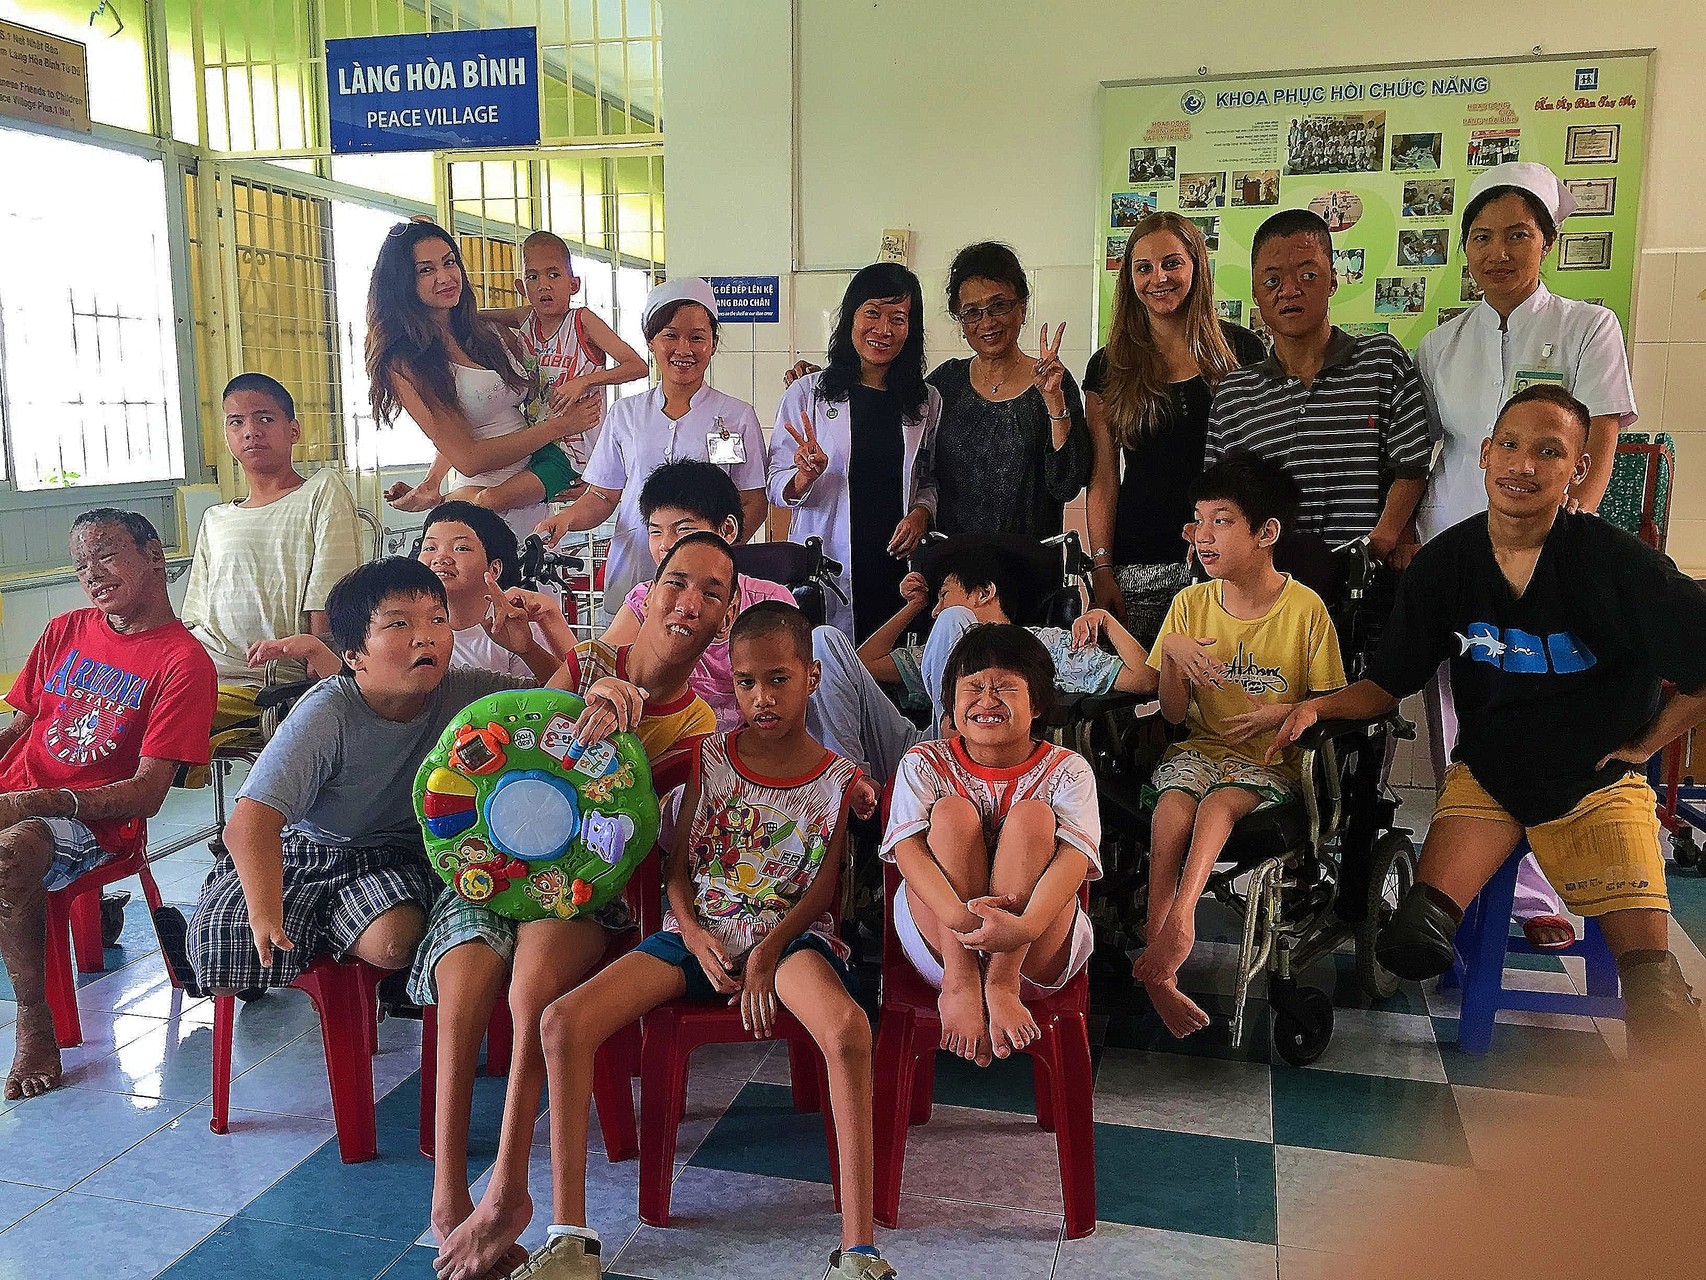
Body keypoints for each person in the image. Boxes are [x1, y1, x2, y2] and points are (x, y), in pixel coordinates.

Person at [454, 602, 887, 1280]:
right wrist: (690, 930)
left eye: (778, 679)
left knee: (848, 1028)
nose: (760, 698)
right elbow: (679, 869)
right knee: (562, 1021)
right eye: (745, 682)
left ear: (812, 676)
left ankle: (858, 1254)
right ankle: (571, 1242)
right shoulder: (707, 756)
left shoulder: (836, 779)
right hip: (696, 933)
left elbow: (821, 895)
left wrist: (767, 956)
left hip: (790, 939)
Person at [1272, 386, 1706, 1062]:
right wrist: (1318, 705)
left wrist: (1644, 745)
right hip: (1491, 776)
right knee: (1413, 935)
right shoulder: (1445, 565)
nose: (1523, 465)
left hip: (1596, 780)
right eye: (1510, 445)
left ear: (1579, 470)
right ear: (1483, 454)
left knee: (1655, 997)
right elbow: (1389, 684)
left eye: (1549, 452)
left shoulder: (1619, 565)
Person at [420, 533, 732, 1277]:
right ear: (647, 593)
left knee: (532, 985)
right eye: (677, 582)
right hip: (497, 872)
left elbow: (649, 846)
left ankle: (506, 1191)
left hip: (587, 897)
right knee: (461, 974)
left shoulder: (701, 729)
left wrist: (627, 747)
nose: (689, 602)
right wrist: (582, 699)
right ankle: (444, 1197)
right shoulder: (590, 663)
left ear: (724, 618)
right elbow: (520, 745)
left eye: (712, 593)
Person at [1412, 163, 1640, 949]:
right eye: (1481, 236)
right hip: (1459, 554)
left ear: (1547, 242)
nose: (1497, 251)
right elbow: (1426, 453)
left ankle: (1545, 893)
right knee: (1460, 721)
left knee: (1550, 714)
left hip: (1552, 558)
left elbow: (1602, 434)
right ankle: (1467, 880)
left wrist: (1569, 532)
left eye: (1517, 234)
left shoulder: (1586, 325)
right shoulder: (1440, 344)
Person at [185, 558, 553, 1005]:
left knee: (394, 945)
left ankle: (323, 936)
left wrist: (529, 646)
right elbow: (249, 825)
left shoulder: (464, 690)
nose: (426, 636)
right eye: (399, 624)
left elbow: (559, 704)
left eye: (438, 620)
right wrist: (264, 912)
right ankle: (268, 922)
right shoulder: (327, 711)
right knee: (224, 964)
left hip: (394, 853)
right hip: (304, 848)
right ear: (353, 654)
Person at [0, 510, 217, 1100]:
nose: (90, 574)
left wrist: (33, 803)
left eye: (106, 554)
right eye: (80, 563)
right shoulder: (66, 629)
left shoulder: (183, 662)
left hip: (92, 820)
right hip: (19, 797)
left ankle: (35, 1025)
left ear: (154, 556)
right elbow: (21, 725)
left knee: (10, 854)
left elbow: (148, 793)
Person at [1130, 455, 1346, 1037]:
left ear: (1266, 533)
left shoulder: (1305, 611)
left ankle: (1182, 920)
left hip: (1271, 761)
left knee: (1219, 803)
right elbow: (1174, 715)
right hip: (1200, 748)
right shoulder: (1189, 606)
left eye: (1221, 520)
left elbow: (1328, 703)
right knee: (1174, 802)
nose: (1203, 535)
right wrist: (1172, 651)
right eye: (1198, 520)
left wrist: (1290, 711)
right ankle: (1161, 942)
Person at [881, 624, 1100, 1069]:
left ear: (1036, 703)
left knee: (1034, 817)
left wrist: (1022, 927)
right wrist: (961, 918)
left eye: (1005, 688)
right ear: (951, 702)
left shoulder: (1069, 770)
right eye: (973, 687)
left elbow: (1076, 860)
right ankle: (962, 985)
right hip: (943, 944)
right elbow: (906, 851)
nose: (986, 699)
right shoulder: (924, 763)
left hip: (1034, 949)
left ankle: (1001, 985)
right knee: (951, 814)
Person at [536, 278, 768, 626]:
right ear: (651, 341)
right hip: (633, 572)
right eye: (670, 335)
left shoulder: (735, 417)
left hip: (703, 588)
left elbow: (753, 501)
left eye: (697, 337)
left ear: (713, 343)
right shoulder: (626, 415)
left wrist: (714, 554)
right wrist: (565, 519)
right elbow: (602, 494)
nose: (683, 348)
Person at [1204, 208, 1432, 559]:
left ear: (1333, 281)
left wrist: (1379, 543)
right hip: (1270, 588)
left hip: (1365, 585)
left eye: (1308, 275)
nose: (1289, 291)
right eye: (1272, 281)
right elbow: (1220, 499)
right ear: (1254, 292)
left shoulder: (1381, 362)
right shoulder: (1235, 394)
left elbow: (1412, 467)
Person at [1084, 212, 1267, 642]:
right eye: (1143, 267)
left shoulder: (1243, 350)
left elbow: (1259, 464)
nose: (1158, 278)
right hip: (1139, 565)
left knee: (1227, 699)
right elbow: (1104, 476)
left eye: (1172, 263)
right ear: (1128, 278)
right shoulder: (1107, 366)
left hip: (1229, 561)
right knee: (1142, 698)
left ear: (1196, 266)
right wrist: (1102, 566)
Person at [367, 219, 598, 542]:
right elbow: (468, 456)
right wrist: (560, 427)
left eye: (449, 262)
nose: (445, 277)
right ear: (402, 283)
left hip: (534, 491)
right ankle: (449, 506)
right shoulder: (405, 362)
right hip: (482, 502)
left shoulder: (486, 333)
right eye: (426, 270)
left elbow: (483, 416)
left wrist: (576, 465)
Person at [399, 231, 650, 514]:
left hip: (570, 452)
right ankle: (439, 496)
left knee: (489, 502)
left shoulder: (583, 322)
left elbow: (637, 366)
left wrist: (585, 382)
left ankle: (446, 506)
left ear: (574, 283)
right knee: (494, 498)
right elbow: (475, 316)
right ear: (521, 286)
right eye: (533, 277)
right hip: (534, 442)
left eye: (553, 275)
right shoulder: (525, 319)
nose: (544, 286)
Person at [767, 263, 941, 641]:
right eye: (872, 313)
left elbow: (929, 478)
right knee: (827, 665)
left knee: (891, 670)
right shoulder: (807, 393)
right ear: (851, 318)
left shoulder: (925, 401)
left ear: (911, 330)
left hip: (894, 562)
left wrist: (921, 513)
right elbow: (775, 482)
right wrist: (802, 477)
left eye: (898, 318)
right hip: (829, 559)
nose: (883, 329)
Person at [180, 374, 362, 729]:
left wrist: (320, 660)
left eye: (265, 418)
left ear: (293, 430)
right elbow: (195, 616)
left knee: (146, 721)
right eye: (237, 422)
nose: (251, 431)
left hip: (270, 682)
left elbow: (331, 589)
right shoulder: (215, 519)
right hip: (203, 671)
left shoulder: (321, 492)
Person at [250, 501, 572, 681]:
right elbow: (372, 692)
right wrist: (314, 649)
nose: (440, 557)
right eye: (429, 547)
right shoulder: (404, 629)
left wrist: (527, 648)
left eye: (460, 548)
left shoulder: (517, 629)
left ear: (495, 569)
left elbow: (558, 695)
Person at [603, 458, 792, 731]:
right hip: (664, 745)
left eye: (683, 530)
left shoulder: (770, 601)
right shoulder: (646, 597)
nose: (666, 544)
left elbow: (786, 694)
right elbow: (602, 662)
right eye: (656, 532)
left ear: (727, 529)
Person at [927, 242, 1090, 539]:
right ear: (960, 320)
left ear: (1022, 308)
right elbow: (915, 465)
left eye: (999, 306)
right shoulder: (945, 383)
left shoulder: (1054, 383)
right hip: (955, 570)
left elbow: (1067, 485)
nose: (987, 322)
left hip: (1029, 571)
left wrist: (1054, 401)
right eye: (972, 312)